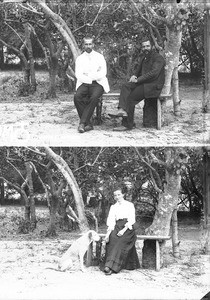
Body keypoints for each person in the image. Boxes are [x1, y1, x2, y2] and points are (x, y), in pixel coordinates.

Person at [109, 38, 165, 131]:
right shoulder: (144, 57)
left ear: (152, 46)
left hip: (152, 86)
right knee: (126, 86)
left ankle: (128, 125)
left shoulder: (158, 58)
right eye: (143, 47)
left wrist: (138, 80)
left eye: (147, 46)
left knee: (131, 98)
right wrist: (135, 76)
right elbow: (138, 70)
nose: (145, 48)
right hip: (144, 83)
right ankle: (121, 110)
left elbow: (153, 74)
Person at [74, 36, 110, 133]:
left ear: (93, 45)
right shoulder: (80, 59)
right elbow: (78, 74)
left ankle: (82, 123)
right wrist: (92, 76)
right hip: (84, 83)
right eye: (86, 44)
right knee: (77, 97)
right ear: (83, 45)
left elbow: (103, 73)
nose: (88, 46)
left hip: (98, 83)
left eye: (90, 44)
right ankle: (88, 124)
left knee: (94, 97)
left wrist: (88, 75)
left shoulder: (99, 57)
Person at [102, 185, 140, 275]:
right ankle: (111, 264)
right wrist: (107, 235)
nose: (117, 197)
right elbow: (111, 221)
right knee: (112, 240)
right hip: (117, 226)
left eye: (119, 194)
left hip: (128, 227)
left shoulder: (129, 205)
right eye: (115, 195)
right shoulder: (113, 207)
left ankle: (111, 266)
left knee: (120, 241)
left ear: (123, 194)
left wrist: (123, 230)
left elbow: (132, 219)